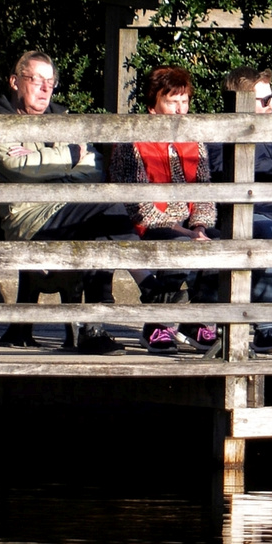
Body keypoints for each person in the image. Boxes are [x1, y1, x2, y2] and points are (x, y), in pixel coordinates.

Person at [0, 49, 134, 354]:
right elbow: (18, 167)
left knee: (110, 215)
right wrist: (71, 158)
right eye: (36, 79)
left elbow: (95, 168)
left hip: (67, 214)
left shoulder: (63, 121)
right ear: (14, 81)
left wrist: (48, 167)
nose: (45, 88)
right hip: (31, 221)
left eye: (51, 81)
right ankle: (110, 309)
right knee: (110, 207)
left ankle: (92, 324)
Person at [109, 66, 221, 355]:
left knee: (221, 246)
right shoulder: (131, 141)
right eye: (172, 102)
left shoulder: (195, 141)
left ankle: (197, 321)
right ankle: (156, 325)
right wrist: (186, 232)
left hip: (188, 222)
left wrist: (199, 227)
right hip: (149, 224)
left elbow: (204, 192)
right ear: (153, 106)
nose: (180, 109)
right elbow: (139, 207)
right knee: (180, 248)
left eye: (184, 101)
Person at [206, 67, 272, 350]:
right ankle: (266, 328)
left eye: (271, 98)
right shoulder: (220, 138)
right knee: (269, 234)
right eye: (265, 100)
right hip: (240, 218)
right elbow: (238, 195)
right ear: (242, 101)